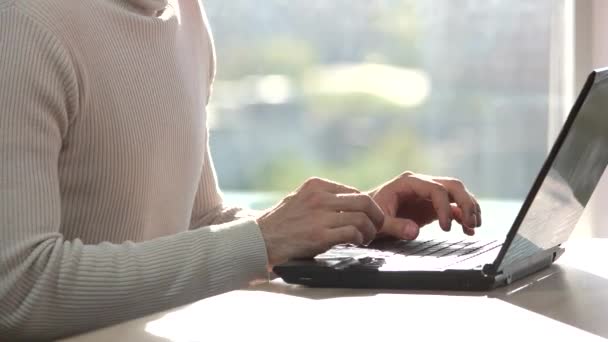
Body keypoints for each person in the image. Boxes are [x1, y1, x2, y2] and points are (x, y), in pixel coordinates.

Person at [0, 0, 481, 340]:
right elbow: (16, 290)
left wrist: (344, 223)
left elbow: (198, 223)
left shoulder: (186, 13)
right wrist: (264, 240)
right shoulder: (21, 25)